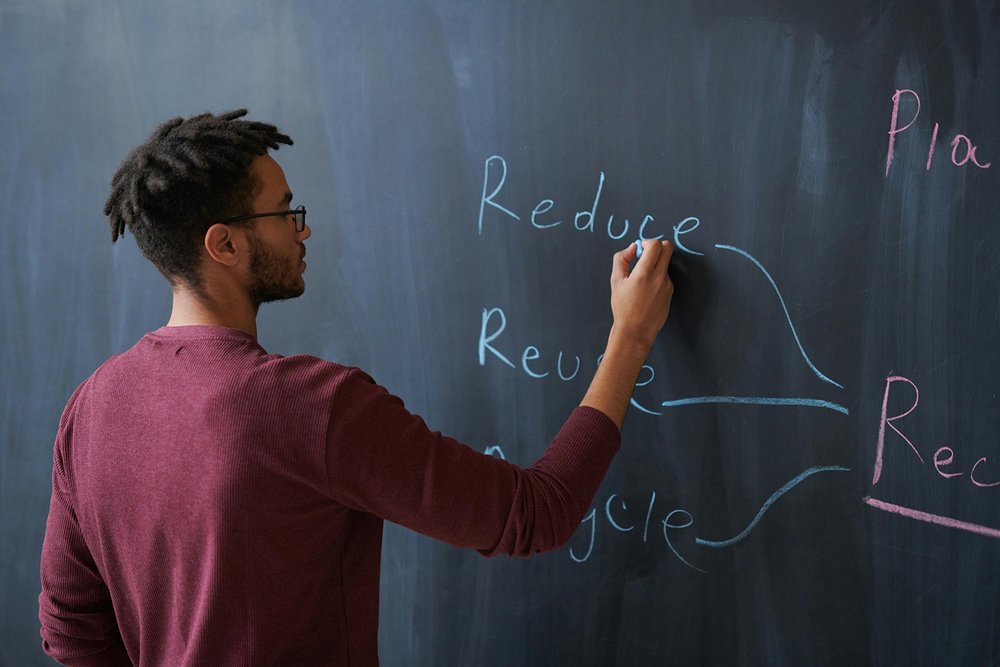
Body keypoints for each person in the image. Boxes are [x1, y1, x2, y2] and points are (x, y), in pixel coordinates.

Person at [38, 110, 674, 666]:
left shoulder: (91, 407)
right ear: (224, 244)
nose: (301, 228)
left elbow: (72, 633)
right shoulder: (310, 407)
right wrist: (630, 340)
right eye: (285, 210)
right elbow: (536, 513)